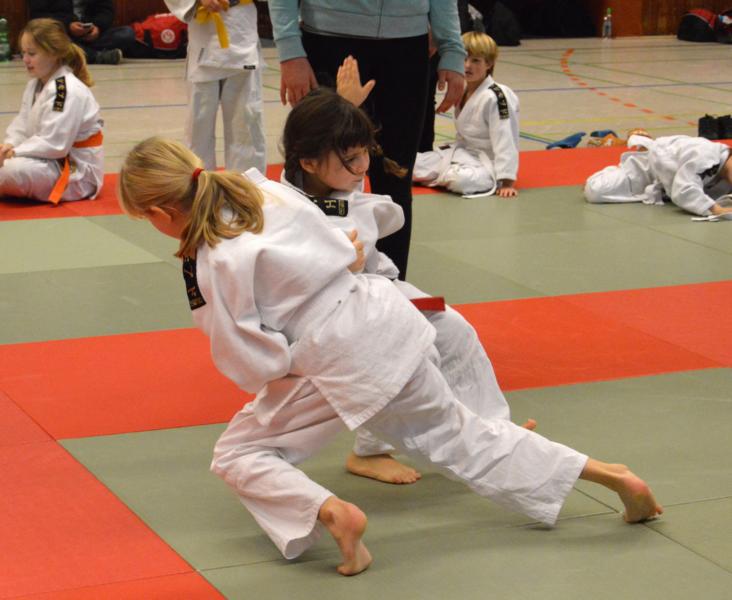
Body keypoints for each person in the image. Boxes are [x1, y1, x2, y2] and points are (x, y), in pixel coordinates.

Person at [118, 135, 662, 576]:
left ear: (161, 211)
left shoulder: (209, 261)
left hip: (340, 357)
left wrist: (279, 366)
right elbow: (346, 245)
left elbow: (248, 356)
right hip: (385, 318)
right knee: (462, 434)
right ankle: (613, 476)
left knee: (239, 453)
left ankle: (333, 513)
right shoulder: (262, 191)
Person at [279, 57, 528, 485]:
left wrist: (346, 106)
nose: (362, 168)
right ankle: (373, 450)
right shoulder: (287, 208)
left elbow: (330, 141)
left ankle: (493, 430)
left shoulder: (327, 179)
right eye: (350, 160)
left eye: (363, 154)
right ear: (309, 163)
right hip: (330, 317)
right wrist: (335, 265)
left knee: (455, 331)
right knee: (407, 354)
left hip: (376, 292)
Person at [268, 0, 466, 279]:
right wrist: (290, 51)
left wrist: (452, 48)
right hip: (329, 38)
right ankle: (316, 282)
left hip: (406, 46)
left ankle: (392, 284)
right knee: (322, 172)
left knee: (396, 178)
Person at [0, 18, 103, 204]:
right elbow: (22, 124)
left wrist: (14, 152)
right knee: (6, 165)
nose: (25, 60)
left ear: (54, 53)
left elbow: (55, 144)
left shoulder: (66, 90)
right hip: (47, 161)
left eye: (32, 53)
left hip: (75, 172)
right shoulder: (35, 84)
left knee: (11, 171)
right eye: (23, 53)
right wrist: (9, 145)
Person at [413, 31, 519, 197]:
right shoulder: (464, 91)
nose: (467, 65)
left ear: (489, 63)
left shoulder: (497, 96)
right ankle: (444, 173)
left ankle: (444, 175)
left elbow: (506, 138)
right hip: (462, 155)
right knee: (409, 164)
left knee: (461, 181)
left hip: (487, 164)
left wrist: (507, 181)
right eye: (464, 58)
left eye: (475, 60)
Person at [165, 0, 266, 173]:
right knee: (198, 126)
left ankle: (245, 186)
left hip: (242, 31)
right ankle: (198, 185)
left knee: (247, 123)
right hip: (203, 38)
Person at [585, 134, 732, 217]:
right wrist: (715, 209)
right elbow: (683, 189)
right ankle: (619, 155)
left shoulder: (725, 171)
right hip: (651, 167)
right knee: (596, 190)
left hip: (666, 182)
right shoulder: (706, 157)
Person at [28, 0, 135, 65]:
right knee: (49, 39)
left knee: (126, 33)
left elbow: (106, 11)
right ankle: (96, 56)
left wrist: (98, 27)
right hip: (62, 33)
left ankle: (78, 52)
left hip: (90, 34)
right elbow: (38, 15)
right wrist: (68, 25)